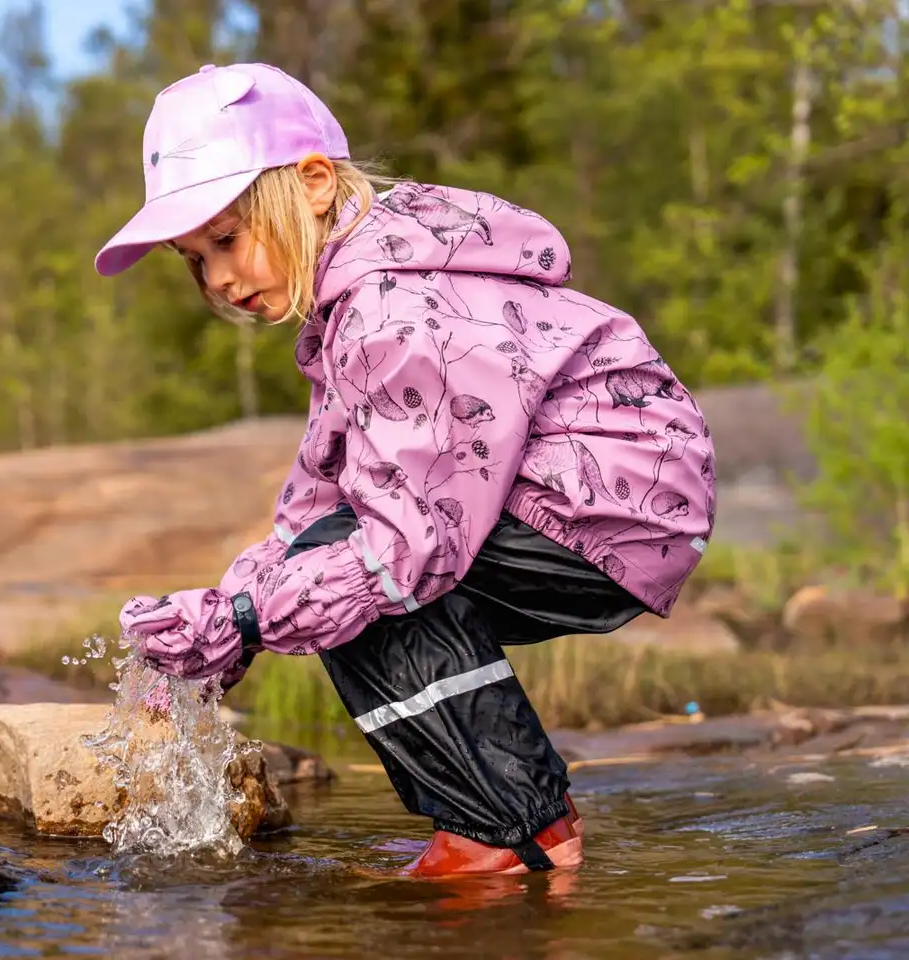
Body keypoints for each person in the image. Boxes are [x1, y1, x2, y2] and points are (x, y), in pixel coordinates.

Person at [95, 62, 716, 878]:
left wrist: (248, 617)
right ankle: (523, 818)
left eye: (225, 239)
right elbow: (318, 494)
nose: (216, 278)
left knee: (360, 577)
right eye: (193, 259)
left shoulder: (393, 310)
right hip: (600, 498)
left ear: (314, 183)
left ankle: (505, 830)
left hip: (606, 508)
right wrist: (229, 613)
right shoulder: (363, 294)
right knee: (324, 559)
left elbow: (404, 548)